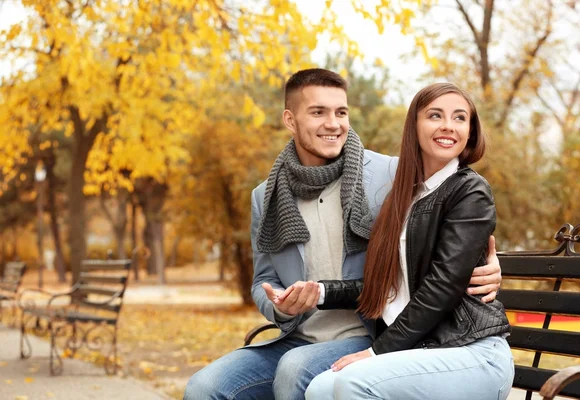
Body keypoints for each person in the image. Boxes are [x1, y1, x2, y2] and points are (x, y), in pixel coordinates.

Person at [184, 70, 503, 400]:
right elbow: (262, 279)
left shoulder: (392, 174)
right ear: (290, 120)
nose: (333, 124)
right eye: (318, 112)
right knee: (204, 387)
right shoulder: (265, 196)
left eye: (341, 112)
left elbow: (454, 233)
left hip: (370, 333)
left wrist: (493, 269)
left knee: (296, 369)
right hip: (298, 336)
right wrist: (281, 306)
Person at [304, 82, 514, 400]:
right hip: (425, 350)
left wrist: (376, 353)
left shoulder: (470, 192)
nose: (448, 126)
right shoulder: (405, 197)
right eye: (435, 115)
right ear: (414, 125)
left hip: (471, 352)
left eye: (460, 118)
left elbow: (443, 287)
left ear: (470, 132)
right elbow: (388, 287)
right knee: (319, 390)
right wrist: (319, 291)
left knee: (354, 382)